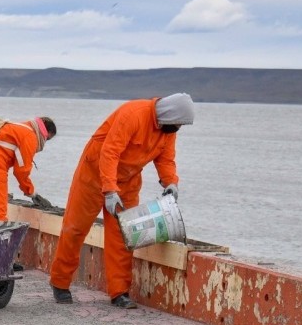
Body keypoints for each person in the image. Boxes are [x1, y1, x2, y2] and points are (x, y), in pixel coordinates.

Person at [48, 93, 194, 309]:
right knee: (75, 228)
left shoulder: (168, 130)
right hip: (94, 175)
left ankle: (119, 292)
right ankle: (60, 283)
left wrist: (171, 182)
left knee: (124, 236)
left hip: (128, 181)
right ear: (169, 115)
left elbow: (166, 159)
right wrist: (108, 190)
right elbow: (110, 152)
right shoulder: (133, 114)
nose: (179, 129)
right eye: (179, 124)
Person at [0, 116, 57, 221]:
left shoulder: (18, 127)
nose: (45, 141)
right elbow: (21, 171)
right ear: (45, 133)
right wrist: (31, 192)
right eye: (47, 138)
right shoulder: (30, 135)